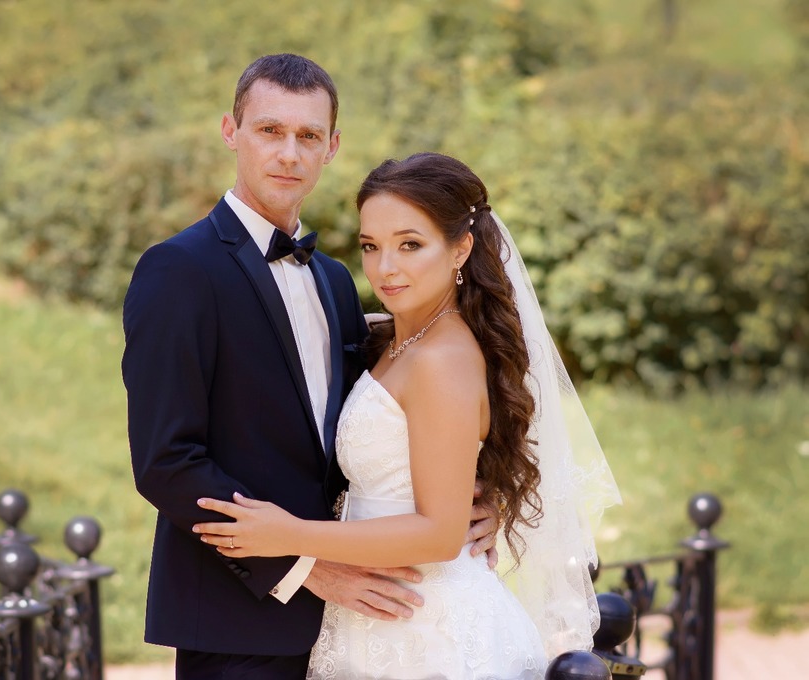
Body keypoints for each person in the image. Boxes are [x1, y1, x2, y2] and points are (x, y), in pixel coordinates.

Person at [121, 56, 502, 679]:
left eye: (308, 136)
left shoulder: (335, 280)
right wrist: (304, 566)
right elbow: (167, 462)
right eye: (270, 131)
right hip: (240, 621)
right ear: (231, 131)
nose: (288, 154)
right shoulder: (178, 271)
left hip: (366, 619)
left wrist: (485, 497)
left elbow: (400, 416)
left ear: (332, 147)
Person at [194, 152, 621, 679]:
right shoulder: (396, 339)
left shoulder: (441, 359)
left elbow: (439, 534)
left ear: (461, 248)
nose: (385, 268)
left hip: (429, 631)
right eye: (371, 246)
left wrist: (289, 535)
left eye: (410, 244)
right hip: (379, 615)